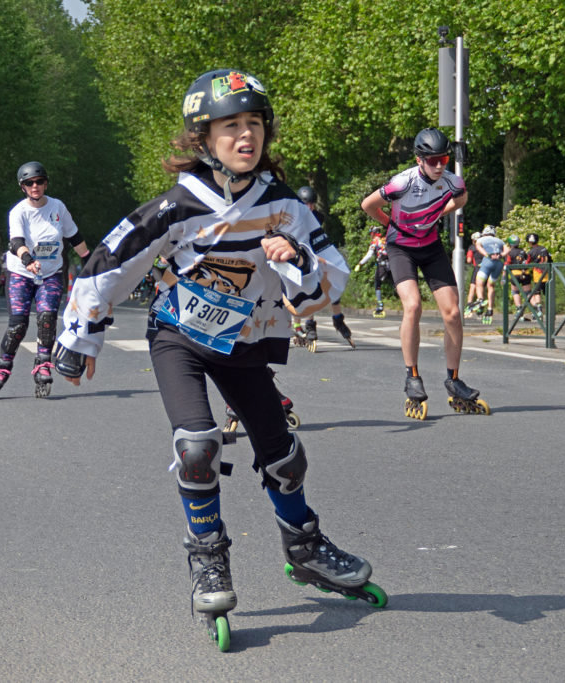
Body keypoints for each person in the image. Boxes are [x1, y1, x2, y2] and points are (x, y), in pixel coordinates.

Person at [52, 69, 385, 650]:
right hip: (178, 336)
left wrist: (296, 260)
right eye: (231, 126)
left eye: (254, 124)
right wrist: (80, 338)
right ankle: (208, 558)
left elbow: (330, 284)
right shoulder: (178, 204)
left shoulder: (284, 207)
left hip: (244, 342)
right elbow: (111, 261)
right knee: (198, 445)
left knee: (282, 453)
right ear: (203, 139)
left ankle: (304, 548)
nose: (245, 136)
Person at [360, 127, 483, 418]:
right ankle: (412, 375)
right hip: (401, 247)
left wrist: (442, 212)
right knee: (413, 305)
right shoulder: (401, 183)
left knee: (453, 313)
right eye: (433, 160)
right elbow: (368, 204)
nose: (439, 165)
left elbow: (462, 197)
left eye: (443, 159)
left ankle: (454, 381)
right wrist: (391, 223)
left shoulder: (452, 181)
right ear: (419, 160)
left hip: (430, 247)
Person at [0, 161, 90, 399]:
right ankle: (3, 366)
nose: (35, 186)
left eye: (39, 182)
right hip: (21, 273)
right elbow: (16, 243)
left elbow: (74, 237)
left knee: (47, 318)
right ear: (22, 187)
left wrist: (90, 262)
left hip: (51, 272)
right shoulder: (18, 211)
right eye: (29, 183)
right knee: (18, 325)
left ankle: (43, 362)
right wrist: (28, 261)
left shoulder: (58, 207)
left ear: (46, 183)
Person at [290, 185, 354, 349]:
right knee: (303, 288)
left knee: (330, 279)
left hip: (313, 252)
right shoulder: (293, 216)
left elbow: (319, 239)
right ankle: (301, 325)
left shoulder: (318, 217)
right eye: (306, 204)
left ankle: (337, 319)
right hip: (296, 252)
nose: (309, 208)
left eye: (312, 204)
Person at [470, 225, 505, 325]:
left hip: (487, 262)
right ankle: (490, 309)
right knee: (491, 286)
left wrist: (487, 255)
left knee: (479, 283)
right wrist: (500, 255)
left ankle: (480, 299)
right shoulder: (499, 240)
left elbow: (479, 247)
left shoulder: (481, 239)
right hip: (498, 263)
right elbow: (507, 250)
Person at [355, 224, 391, 318]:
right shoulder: (384, 239)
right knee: (396, 283)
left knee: (377, 284)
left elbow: (369, 255)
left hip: (382, 264)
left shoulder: (375, 242)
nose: (370, 235)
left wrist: (360, 263)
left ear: (374, 233)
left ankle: (380, 306)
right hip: (391, 263)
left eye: (371, 233)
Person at [503, 234, 531, 319]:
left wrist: (503, 276)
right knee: (528, 293)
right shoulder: (523, 251)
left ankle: (519, 310)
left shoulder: (509, 253)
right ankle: (536, 309)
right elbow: (527, 262)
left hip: (515, 274)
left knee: (515, 292)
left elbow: (506, 265)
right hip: (525, 274)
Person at [525, 233, 552, 320]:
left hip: (537, 274)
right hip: (547, 273)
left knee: (537, 292)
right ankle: (550, 311)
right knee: (548, 293)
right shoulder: (544, 248)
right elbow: (550, 259)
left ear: (529, 242)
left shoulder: (530, 252)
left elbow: (527, 263)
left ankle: (539, 310)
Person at [462, 230, 483, 317]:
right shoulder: (484, 247)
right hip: (485, 268)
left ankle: (469, 304)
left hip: (477, 268)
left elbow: (469, 260)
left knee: (473, 286)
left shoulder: (472, 247)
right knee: (482, 287)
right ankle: (480, 305)